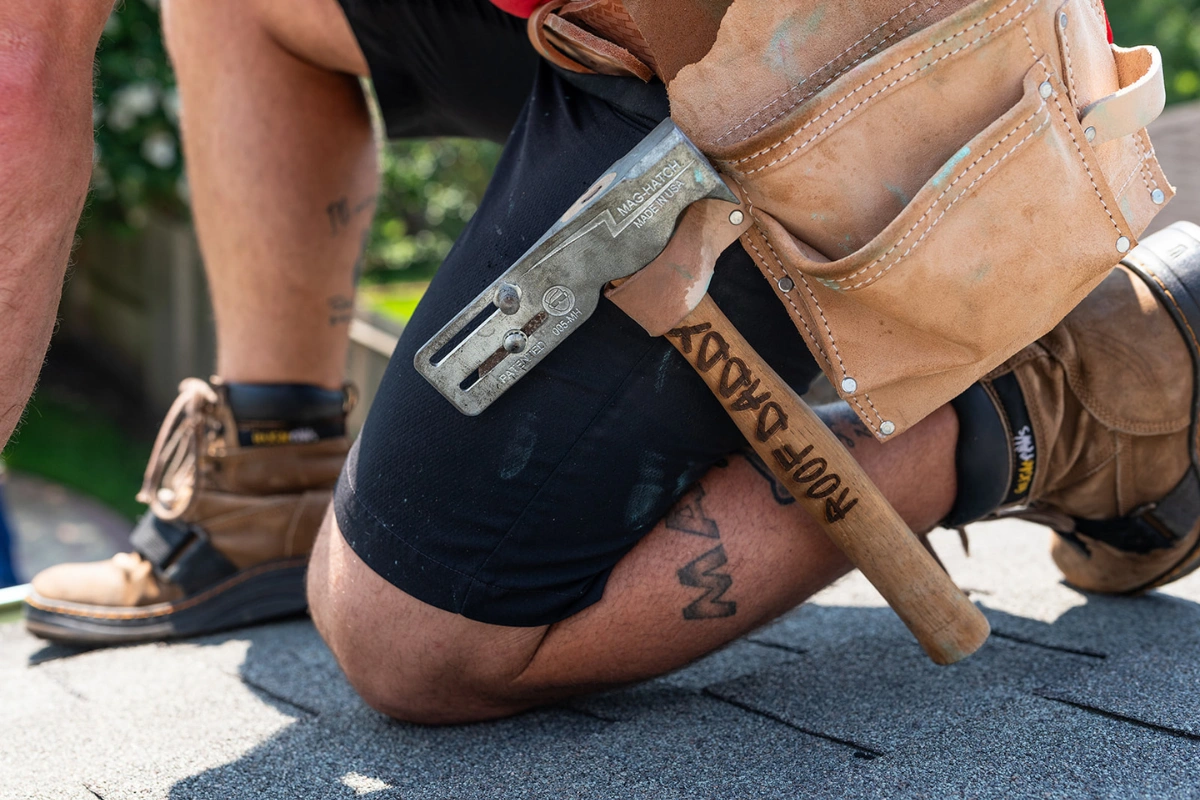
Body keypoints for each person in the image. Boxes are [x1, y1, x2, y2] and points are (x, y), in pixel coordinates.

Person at [10, 0, 1200, 725]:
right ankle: (268, 471)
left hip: (847, 45)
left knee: (410, 640)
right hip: (623, 19)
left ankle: (1091, 389)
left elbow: (16, 80)